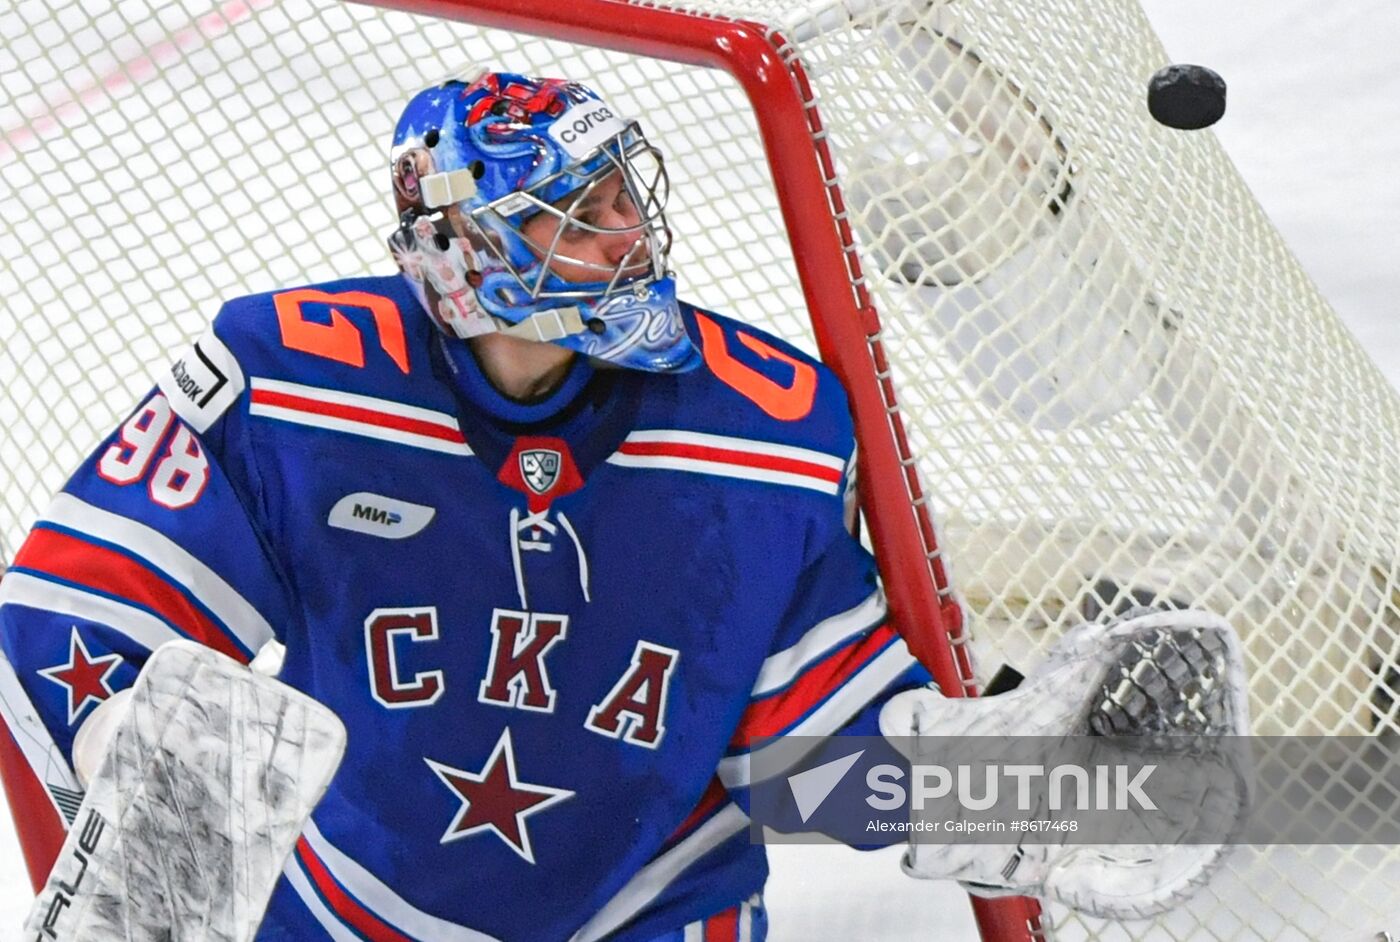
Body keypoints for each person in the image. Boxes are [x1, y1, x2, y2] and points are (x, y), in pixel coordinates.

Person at [0, 69, 930, 941]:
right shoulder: (298, 385)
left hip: (654, 912)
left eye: (623, 195)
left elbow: (799, 760)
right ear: (462, 250)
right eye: (575, 216)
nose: (630, 234)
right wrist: (149, 786)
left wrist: (1008, 802)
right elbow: (67, 611)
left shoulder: (766, 430)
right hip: (341, 914)